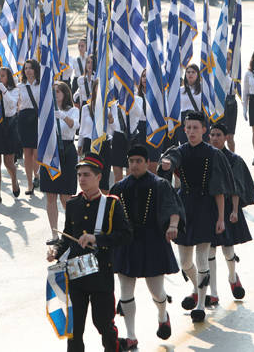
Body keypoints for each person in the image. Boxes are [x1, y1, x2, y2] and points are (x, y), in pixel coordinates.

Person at [46, 152, 132, 352]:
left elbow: (126, 235)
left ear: (98, 177)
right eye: (79, 175)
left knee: (103, 324)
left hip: (100, 274)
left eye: (86, 175)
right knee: (74, 329)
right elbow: (67, 235)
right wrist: (56, 251)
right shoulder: (73, 203)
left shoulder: (111, 204)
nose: (82, 179)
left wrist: (97, 239)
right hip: (76, 276)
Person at [158, 111, 233, 323]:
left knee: (202, 259)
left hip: (205, 207)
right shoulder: (180, 151)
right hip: (184, 207)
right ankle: (197, 287)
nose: (191, 131)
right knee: (185, 262)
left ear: (204, 130)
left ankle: (201, 303)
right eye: (188, 128)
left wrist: (220, 218)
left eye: (195, 128)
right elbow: (172, 159)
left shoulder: (213, 154)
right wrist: (167, 164)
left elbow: (219, 189)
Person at [110, 144, 184, 349]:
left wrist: (173, 225)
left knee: (157, 292)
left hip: (153, 241)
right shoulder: (118, 188)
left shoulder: (160, 185)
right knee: (125, 292)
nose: (134, 165)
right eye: (131, 161)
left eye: (138, 161)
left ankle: (162, 315)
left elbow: (173, 208)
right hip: (127, 243)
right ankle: (131, 335)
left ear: (147, 163)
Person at [207, 123, 253, 306]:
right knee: (208, 251)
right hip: (209, 209)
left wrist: (234, 211)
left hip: (227, 208)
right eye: (212, 134)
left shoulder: (234, 159)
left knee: (227, 249)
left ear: (226, 137)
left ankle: (233, 278)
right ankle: (213, 293)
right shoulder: (206, 157)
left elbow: (236, 187)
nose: (215, 138)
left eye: (218, 134)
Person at [41, 81, 80, 242]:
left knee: (65, 196)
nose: (55, 94)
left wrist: (63, 116)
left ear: (65, 94)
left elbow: (75, 126)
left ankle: (72, 231)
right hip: (50, 152)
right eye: (53, 91)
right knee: (50, 195)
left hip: (67, 151)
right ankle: (54, 233)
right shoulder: (46, 111)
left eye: (58, 91)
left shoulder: (73, 110)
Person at [0, 67, 22, 204]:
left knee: (8, 162)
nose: (0, 79)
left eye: (2, 76)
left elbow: (12, 103)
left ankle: (14, 180)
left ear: (8, 77)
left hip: (9, 125)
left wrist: (4, 90)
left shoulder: (14, 90)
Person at [79, 80, 114, 193]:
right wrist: (80, 144)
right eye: (98, 88)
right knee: (89, 178)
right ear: (94, 89)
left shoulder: (110, 107)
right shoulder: (86, 108)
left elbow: (114, 129)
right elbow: (82, 128)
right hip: (90, 144)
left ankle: (103, 207)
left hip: (104, 143)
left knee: (103, 180)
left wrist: (110, 118)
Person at [18, 59, 40, 195]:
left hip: (37, 117)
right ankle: (29, 183)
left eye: (30, 68)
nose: (28, 71)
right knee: (27, 152)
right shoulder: (20, 86)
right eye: (26, 68)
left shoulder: (41, 85)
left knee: (36, 151)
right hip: (24, 118)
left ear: (35, 69)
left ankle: (37, 175)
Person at [175, 64, 202, 144]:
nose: (190, 74)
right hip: (184, 120)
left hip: (198, 119)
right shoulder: (180, 90)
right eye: (188, 72)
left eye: (193, 72)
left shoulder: (203, 89)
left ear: (197, 74)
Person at [70, 38, 89, 105]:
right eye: (79, 46)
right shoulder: (75, 59)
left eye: (82, 46)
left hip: (86, 80)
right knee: (76, 102)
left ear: (86, 47)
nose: (80, 48)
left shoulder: (89, 59)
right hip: (76, 81)